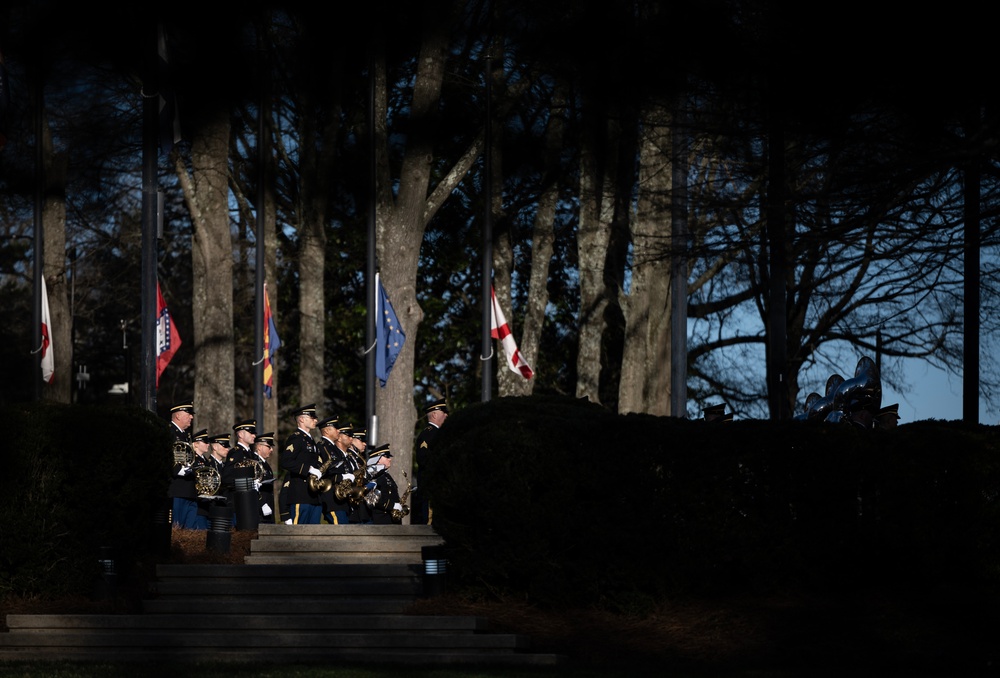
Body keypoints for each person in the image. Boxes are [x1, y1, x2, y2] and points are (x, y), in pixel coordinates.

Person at [279, 404, 324, 524]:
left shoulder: (311, 440)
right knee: (299, 533)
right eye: (312, 417)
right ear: (301, 419)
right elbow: (286, 461)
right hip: (301, 494)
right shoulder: (297, 438)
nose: (316, 420)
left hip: (314, 495)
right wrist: (308, 469)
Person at [412, 398, 448, 525]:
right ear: (434, 414)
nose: (446, 415)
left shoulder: (438, 433)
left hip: (438, 485)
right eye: (444, 412)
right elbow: (423, 458)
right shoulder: (429, 434)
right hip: (431, 484)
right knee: (429, 520)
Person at [316, 416, 355, 525]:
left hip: (341, 499)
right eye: (336, 428)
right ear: (327, 431)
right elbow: (323, 472)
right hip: (332, 499)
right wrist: (342, 477)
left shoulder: (334, 449)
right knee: (341, 533)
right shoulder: (322, 446)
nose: (339, 430)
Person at [167, 400, 197, 529]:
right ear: (178, 415)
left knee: (187, 530)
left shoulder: (185, 435)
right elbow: (166, 454)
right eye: (188, 413)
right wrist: (177, 470)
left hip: (186, 489)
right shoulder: (170, 432)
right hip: (176, 488)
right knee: (175, 528)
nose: (192, 416)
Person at [363, 443, 403, 525]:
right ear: (378, 459)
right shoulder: (373, 473)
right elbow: (371, 497)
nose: (390, 459)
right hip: (381, 518)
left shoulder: (385, 474)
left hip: (391, 517)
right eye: (387, 457)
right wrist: (391, 506)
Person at [252, 432, 277, 523]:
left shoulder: (265, 464)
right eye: (269, 447)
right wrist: (262, 504)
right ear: (259, 447)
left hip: (267, 509)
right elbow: (253, 487)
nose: (271, 450)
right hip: (259, 510)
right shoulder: (254, 463)